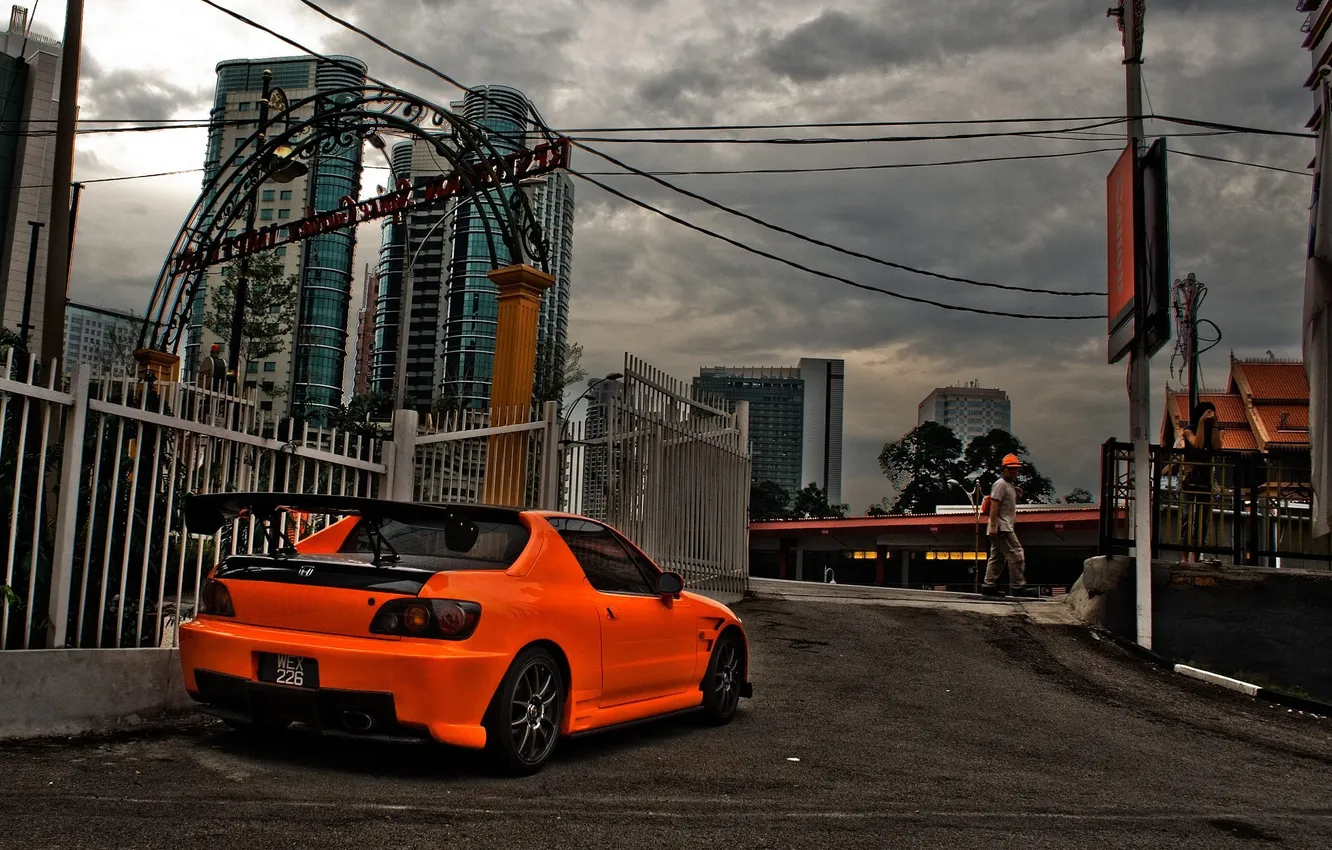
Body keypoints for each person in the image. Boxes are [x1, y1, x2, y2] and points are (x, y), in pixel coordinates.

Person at [982, 453, 1036, 598]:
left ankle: (988, 585)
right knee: (1016, 553)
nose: (1014, 472)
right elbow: (994, 505)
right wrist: (993, 526)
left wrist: (1017, 495)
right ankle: (1017, 587)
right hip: (1002, 527)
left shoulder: (1009, 486)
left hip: (1003, 526)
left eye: (1016, 469)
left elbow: (1006, 505)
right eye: (1011, 469)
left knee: (997, 557)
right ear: (1004, 469)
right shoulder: (1000, 484)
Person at [1179, 401, 1223, 563]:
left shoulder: (1218, 430)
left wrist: (1214, 424)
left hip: (1206, 478)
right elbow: (1197, 444)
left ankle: (1196, 556)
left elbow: (1217, 446)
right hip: (1190, 477)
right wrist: (1201, 423)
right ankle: (1184, 557)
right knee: (1186, 517)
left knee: (1202, 520)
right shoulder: (1188, 430)